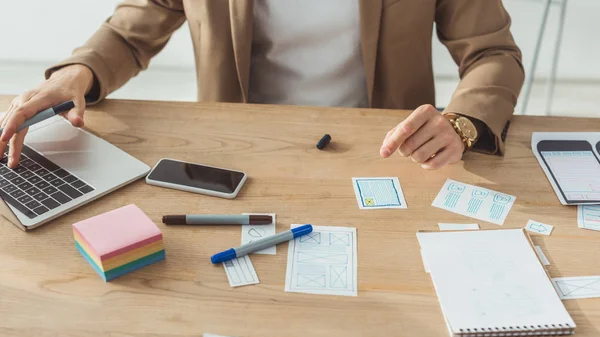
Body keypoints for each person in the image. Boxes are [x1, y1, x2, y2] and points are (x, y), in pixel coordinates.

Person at [0, 0, 524, 170]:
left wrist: (461, 123)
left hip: (384, 151)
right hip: (243, 154)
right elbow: (147, 13)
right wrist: (79, 72)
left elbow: (492, 52)